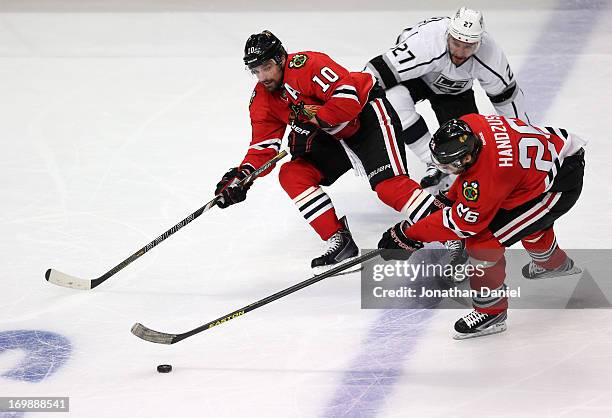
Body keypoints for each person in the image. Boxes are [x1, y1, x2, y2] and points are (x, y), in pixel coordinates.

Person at [215, 30, 450, 274]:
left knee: (388, 186)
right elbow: (263, 146)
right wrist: (243, 175)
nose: (262, 76)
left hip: (366, 116)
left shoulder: (307, 65)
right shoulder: (263, 98)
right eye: (255, 70)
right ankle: (341, 242)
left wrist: (313, 122)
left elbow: (348, 98)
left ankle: (451, 232)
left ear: (281, 58)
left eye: (266, 67)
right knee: (292, 173)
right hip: (334, 135)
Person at [377, 113, 586, 339]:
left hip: (558, 187)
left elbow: (463, 224)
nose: (446, 170)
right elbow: (471, 178)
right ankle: (553, 264)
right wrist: (449, 198)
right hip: (549, 160)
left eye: (448, 166)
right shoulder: (470, 124)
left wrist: (409, 235)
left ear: (466, 158)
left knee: (484, 241)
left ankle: (491, 311)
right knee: (527, 225)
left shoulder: (492, 174)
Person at [365, 7, 529, 190]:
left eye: (468, 46)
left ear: (479, 42)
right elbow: (373, 74)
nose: (459, 52)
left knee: (468, 144)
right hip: (416, 77)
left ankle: (456, 176)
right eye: (456, 43)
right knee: (391, 102)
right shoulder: (426, 42)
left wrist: (524, 143)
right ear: (448, 34)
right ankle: (434, 162)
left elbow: (508, 102)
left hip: (455, 90)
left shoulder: (491, 56)